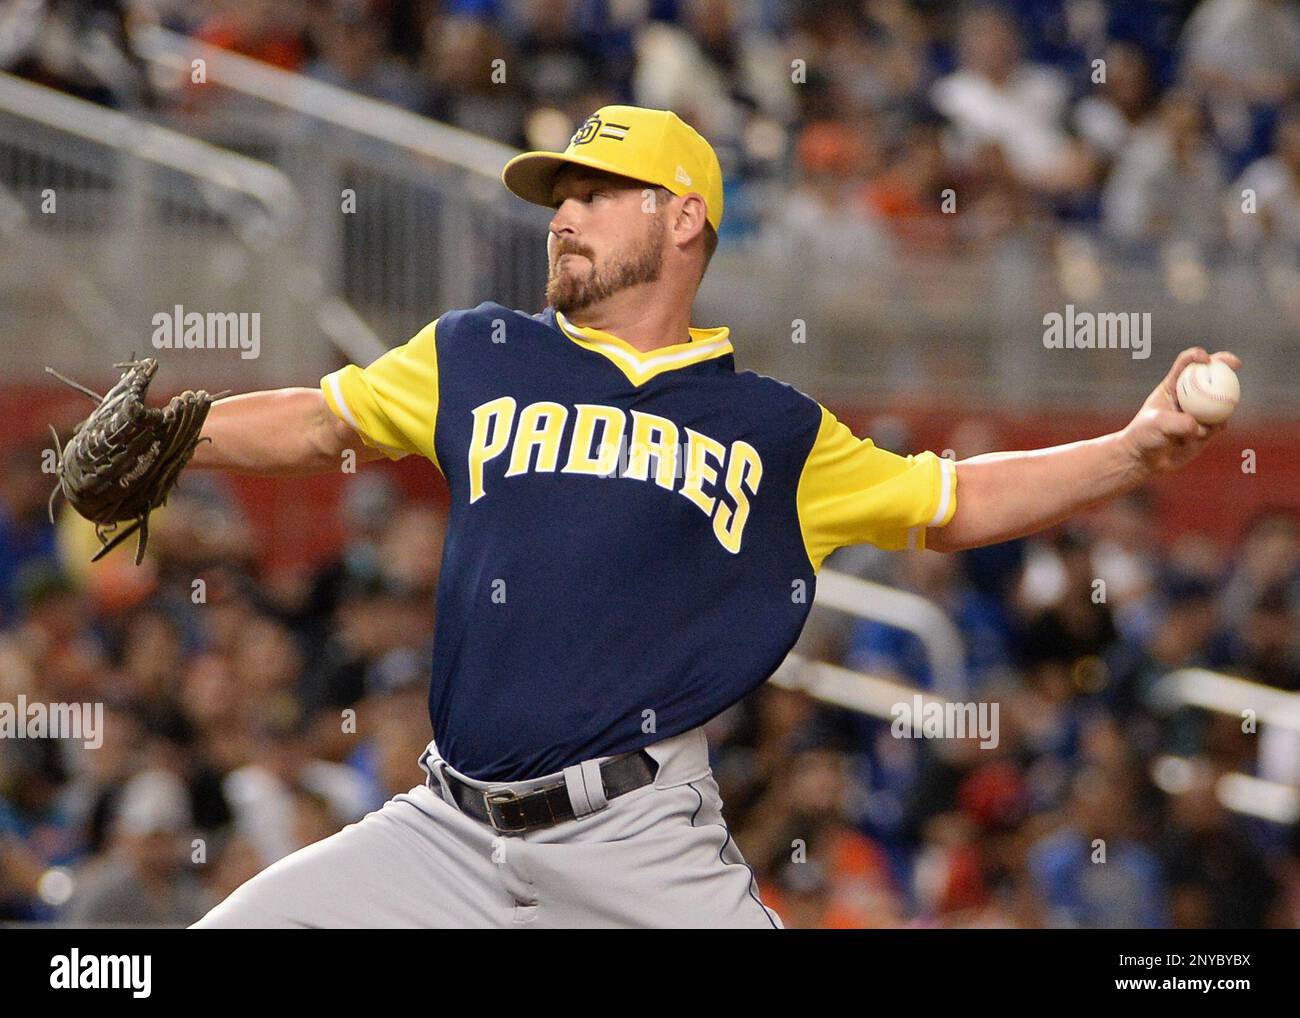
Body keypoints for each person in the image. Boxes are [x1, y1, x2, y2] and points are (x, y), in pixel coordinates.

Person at [185, 105, 1239, 928]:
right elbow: (324, 420)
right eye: (561, 196)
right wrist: (176, 433)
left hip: (635, 839)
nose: (563, 214)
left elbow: (949, 500)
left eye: (599, 192)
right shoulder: (481, 350)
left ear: (682, 216)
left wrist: (1130, 450)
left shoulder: (767, 429)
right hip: (446, 827)